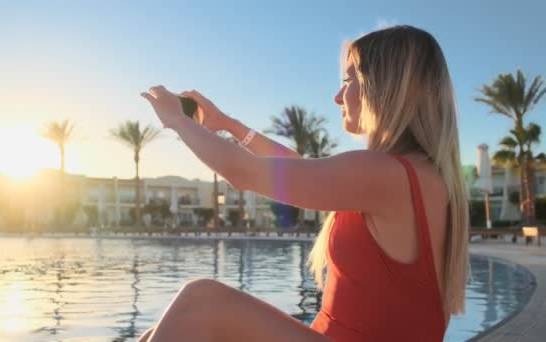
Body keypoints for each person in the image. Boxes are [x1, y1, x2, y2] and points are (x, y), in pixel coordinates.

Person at [138, 25, 469, 342]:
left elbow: (243, 172)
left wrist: (177, 120)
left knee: (202, 302)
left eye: (349, 80)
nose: (339, 96)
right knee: (156, 334)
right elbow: (295, 169)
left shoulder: (386, 174)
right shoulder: (419, 175)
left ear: (385, 86)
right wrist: (229, 125)